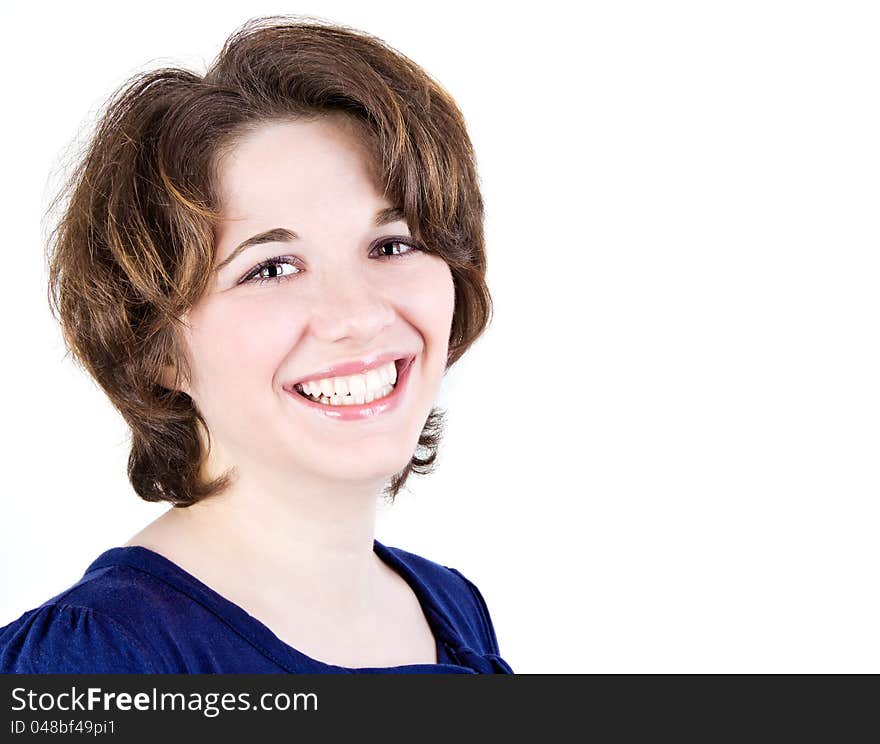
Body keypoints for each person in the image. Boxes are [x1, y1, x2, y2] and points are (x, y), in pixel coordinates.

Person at [0, 15, 512, 674]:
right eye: (269, 267)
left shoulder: (451, 607)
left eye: (393, 244)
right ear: (155, 348)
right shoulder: (97, 661)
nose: (356, 315)